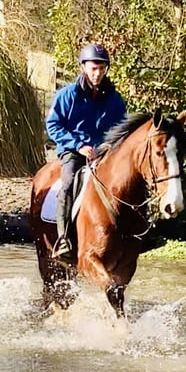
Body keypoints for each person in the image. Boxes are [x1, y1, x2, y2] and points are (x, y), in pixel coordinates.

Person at [45, 43, 127, 259]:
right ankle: (63, 239)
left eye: (101, 68)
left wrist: (108, 148)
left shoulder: (114, 99)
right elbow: (53, 125)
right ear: (83, 67)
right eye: (93, 68)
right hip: (74, 151)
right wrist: (78, 145)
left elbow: (121, 129)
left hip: (104, 153)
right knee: (68, 183)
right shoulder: (67, 95)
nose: (98, 73)